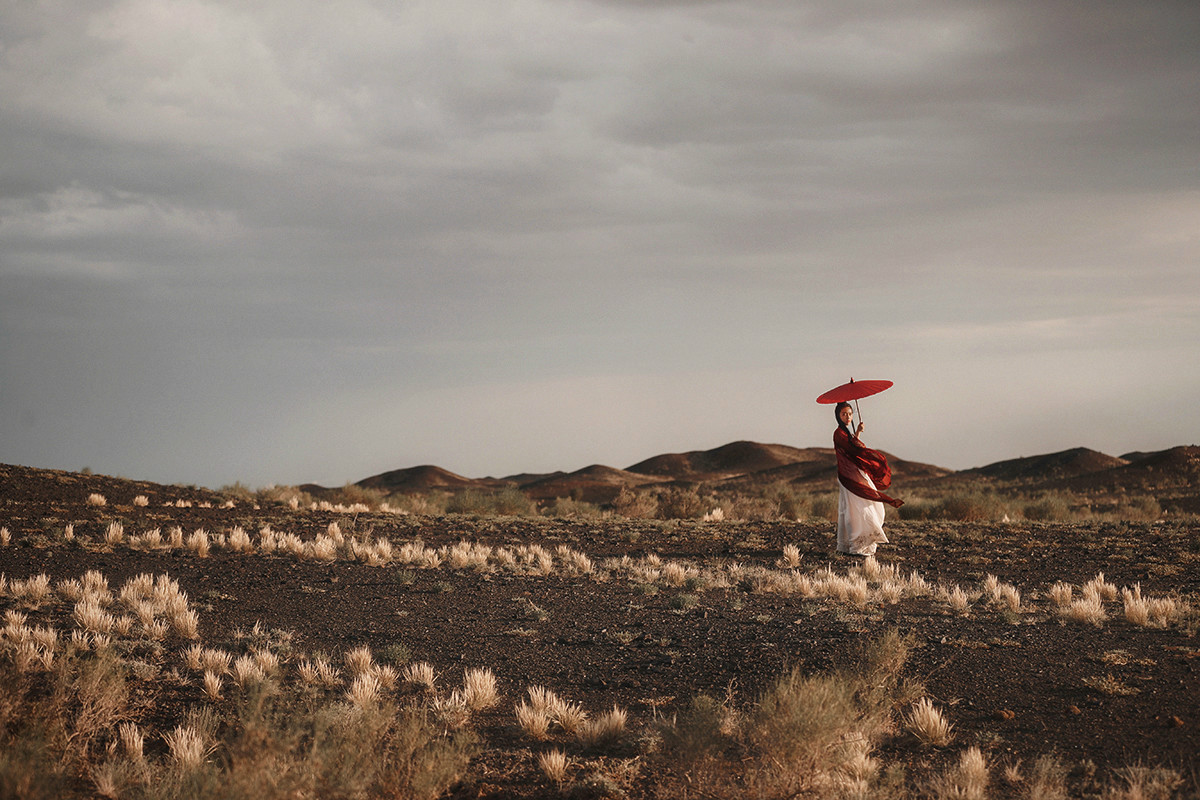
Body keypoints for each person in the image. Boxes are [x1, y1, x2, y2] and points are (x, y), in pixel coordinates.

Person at [833, 401, 903, 556]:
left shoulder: (847, 433)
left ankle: (858, 542)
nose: (848, 417)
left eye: (850, 414)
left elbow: (853, 448)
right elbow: (853, 450)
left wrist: (857, 432)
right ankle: (857, 545)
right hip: (849, 477)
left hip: (855, 474)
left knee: (866, 505)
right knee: (855, 509)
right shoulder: (839, 433)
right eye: (844, 414)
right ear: (838, 416)